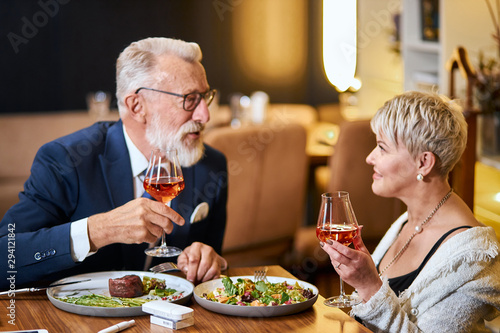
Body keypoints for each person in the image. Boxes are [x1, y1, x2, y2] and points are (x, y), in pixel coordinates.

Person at [0, 37, 228, 288]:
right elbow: (5, 258)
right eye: (189, 99)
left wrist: (208, 260)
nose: (204, 115)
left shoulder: (211, 165)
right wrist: (99, 230)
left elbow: (210, 261)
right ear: (137, 106)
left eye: (205, 97)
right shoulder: (65, 160)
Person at [320, 91, 500, 332]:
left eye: (382, 148)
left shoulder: (472, 256)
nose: (369, 158)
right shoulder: (406, 222)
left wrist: (369, 286)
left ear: (424, 163)